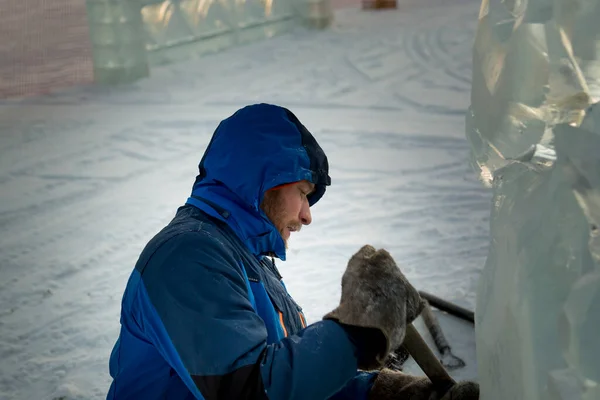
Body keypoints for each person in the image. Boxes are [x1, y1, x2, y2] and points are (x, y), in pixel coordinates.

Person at [106, 103, 479, 400]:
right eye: (302, 192)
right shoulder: (187, 258)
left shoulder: (244, 261)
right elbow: (248, 390)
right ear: (262, 180)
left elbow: (289, 379)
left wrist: (381, 392)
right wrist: (353, 335)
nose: (307, 215)